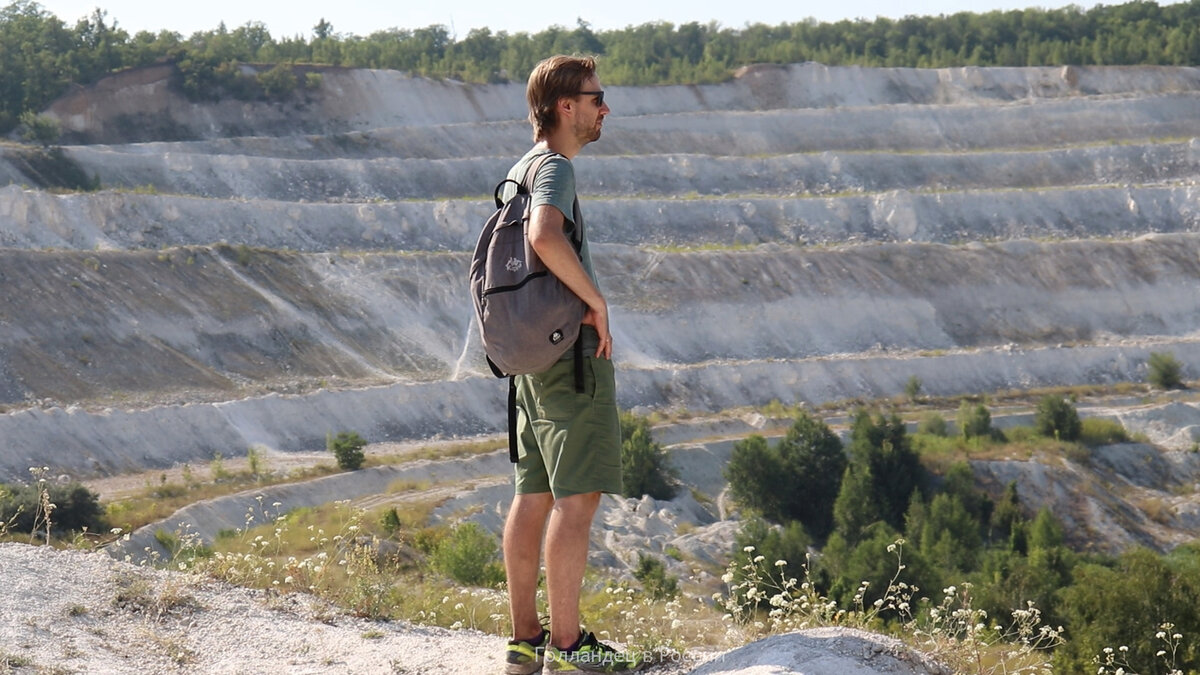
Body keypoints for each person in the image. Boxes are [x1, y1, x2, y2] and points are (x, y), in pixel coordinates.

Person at [501, 55, 645, 674]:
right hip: (569, 356)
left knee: (532, 493)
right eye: (595, 97)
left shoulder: (518, 168)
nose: (603, 108)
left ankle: (525, 640)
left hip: (529, 354)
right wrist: (596, 300)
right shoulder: (555, 168)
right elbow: (543, 235)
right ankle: (567, 646)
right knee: (577, 497)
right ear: (565, 106)